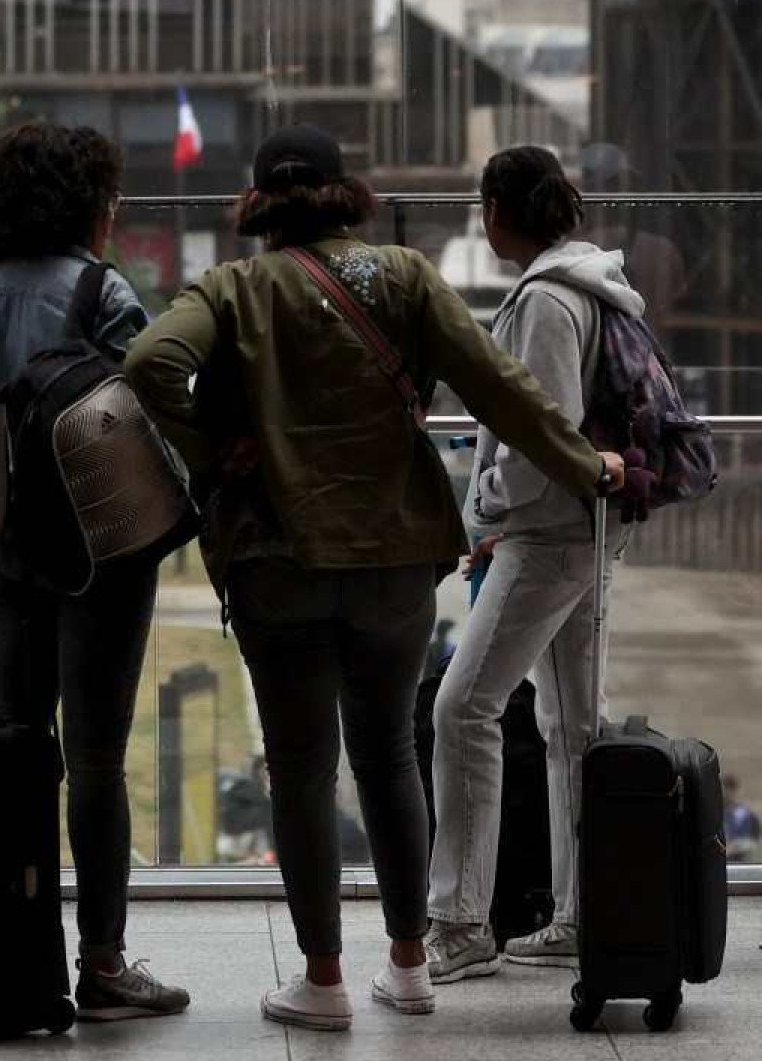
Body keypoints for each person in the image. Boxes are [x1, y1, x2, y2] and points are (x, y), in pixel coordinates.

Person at [124, 125, 627, 1031]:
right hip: (397, 557)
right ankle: (407, 966)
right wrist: (583, 463)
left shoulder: (235, 289)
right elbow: (499, 384)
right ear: (342, 191)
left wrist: (218, 450)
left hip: (280, 561)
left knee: (303, 770)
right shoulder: (403, 275)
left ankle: (321, 981)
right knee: (391, 752)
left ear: (259, 202)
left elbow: (148, 363)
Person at [0, 122, 191, 1021]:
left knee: (16, 754)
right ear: (88, 203)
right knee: (97, 759)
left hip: (4, 553)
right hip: (101, 557)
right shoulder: (103, 292)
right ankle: (102, 965)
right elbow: (159, 410)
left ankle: (11, 948)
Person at [424, 146, 652, 980]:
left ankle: (457, 921)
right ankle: (583, 914)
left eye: (485, 204)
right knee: (570, 726)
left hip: (549, 537)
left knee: (462, 709)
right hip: (586, 532)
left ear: (500, 210)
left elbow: (542, 437)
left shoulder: (546, 303)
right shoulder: (593, 285)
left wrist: (486, 501)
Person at [725, 775, 761, 864]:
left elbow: (755, 839)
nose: (729, 796)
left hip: (743, 861)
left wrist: (737, 846)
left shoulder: (748, 815)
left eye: (732, 791)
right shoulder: (718, 814)